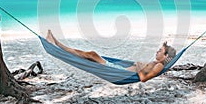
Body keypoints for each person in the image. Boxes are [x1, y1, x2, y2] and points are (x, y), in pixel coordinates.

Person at [46, 30, 176, 82]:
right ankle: (57, 44)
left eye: (160, 51)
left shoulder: (159, 65)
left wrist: (139, 67)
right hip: (118, 69)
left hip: (119, 72)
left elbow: (143, 79)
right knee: (89, 55)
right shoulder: (157, 63)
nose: (157, 51)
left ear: (165, 56)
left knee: (91, 55)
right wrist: (139, 66)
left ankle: (58, 44)